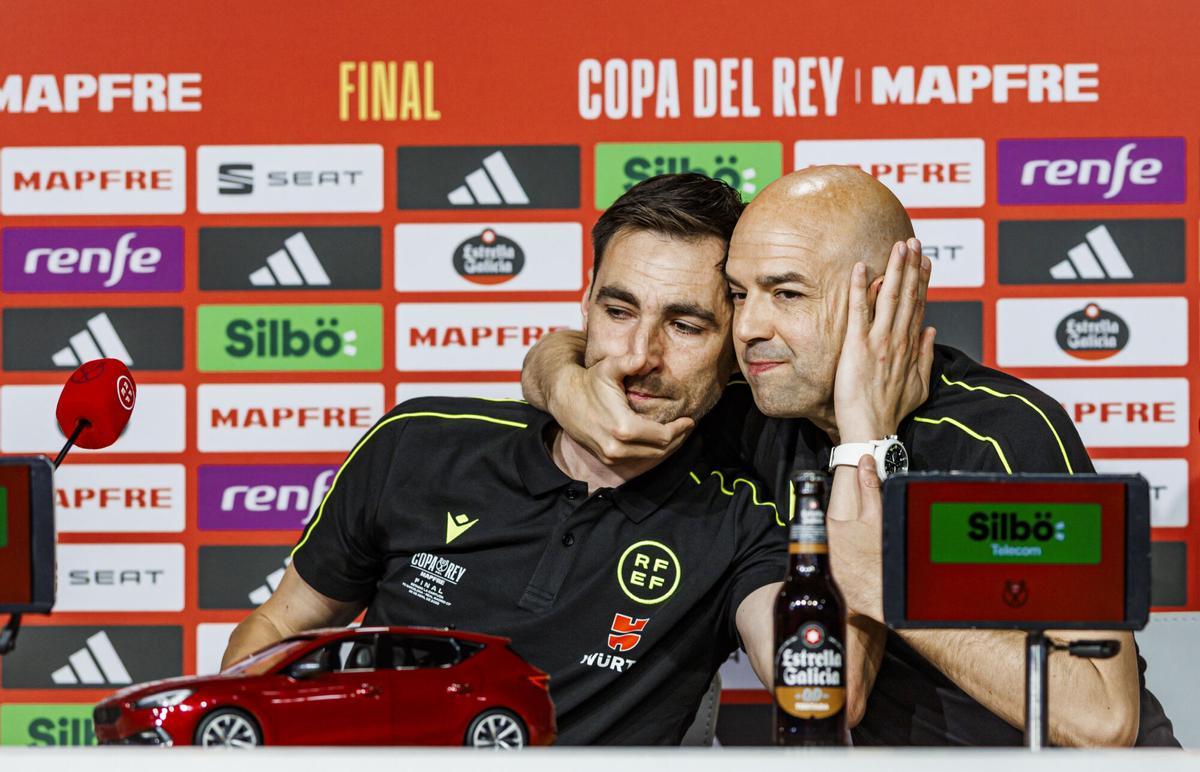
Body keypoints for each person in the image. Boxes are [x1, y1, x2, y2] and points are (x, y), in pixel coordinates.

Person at [220, 173, 930, 744]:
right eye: (619, 312)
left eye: (685, 325)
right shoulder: (420, 442)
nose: (638, 357)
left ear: (735, 347)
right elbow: (280, 627)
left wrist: (864, 435)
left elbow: (828, 693)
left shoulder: (742, 514)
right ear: (583, 308)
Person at [521, 165, 1179, 747]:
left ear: (880, 298)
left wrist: (890, 587)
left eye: (787, 294)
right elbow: (569, 352)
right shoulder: (752, 408)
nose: (749, 328)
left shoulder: (999, 435)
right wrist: (566, 385)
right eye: (741, 295)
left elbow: (1103, 719)